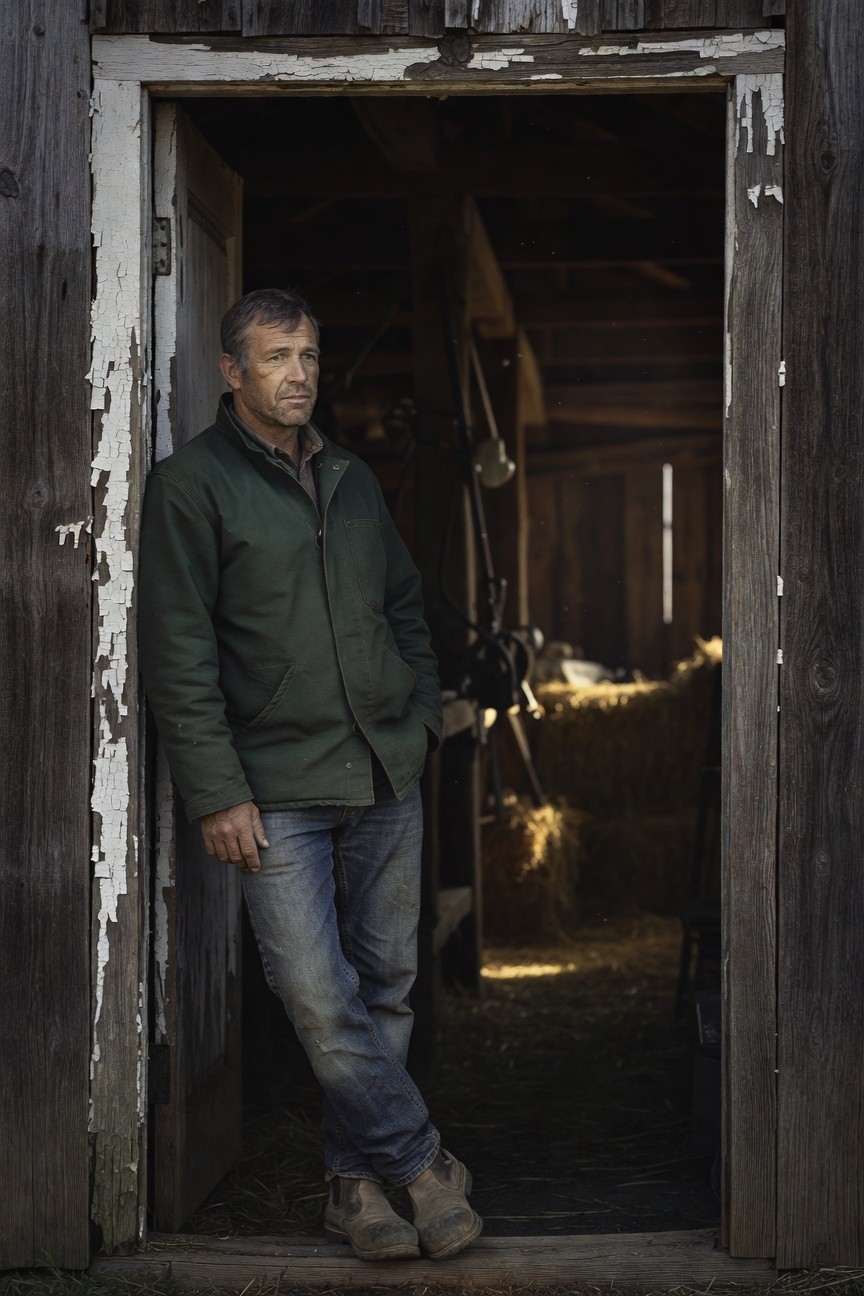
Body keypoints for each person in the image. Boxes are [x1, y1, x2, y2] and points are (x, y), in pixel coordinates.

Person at [138, 288, 482, 1262]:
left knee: (388, 989)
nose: (300, 375)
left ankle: (356, 1189)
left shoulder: (354, 481)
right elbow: (177, 651)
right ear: (231, 371)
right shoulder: (191, 487)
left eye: (310, 358)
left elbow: (406, 609)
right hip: (274, 791)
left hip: (383, 776)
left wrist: (416, 720)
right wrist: (216, 789)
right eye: (279, 357)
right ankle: (423, 1167)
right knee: (319, 1001)